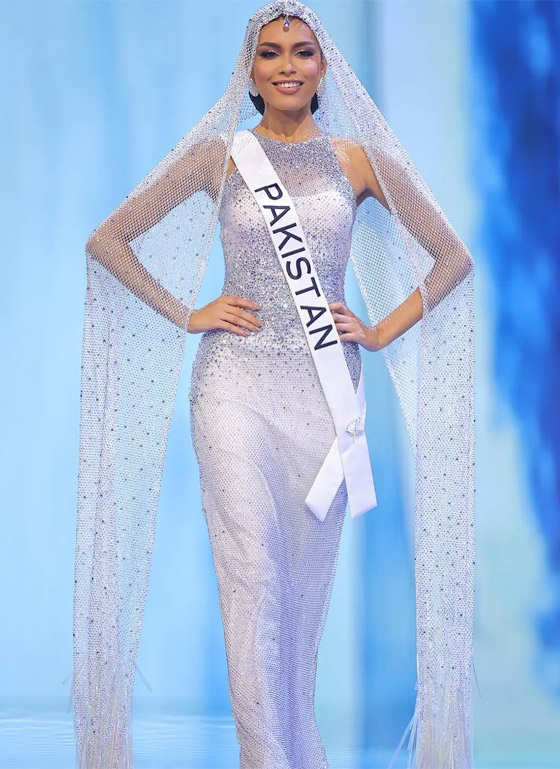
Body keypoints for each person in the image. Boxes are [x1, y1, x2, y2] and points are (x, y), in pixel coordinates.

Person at [71, 2, 476, 769]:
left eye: (302, 51)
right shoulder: (220, 157)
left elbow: (452, 257)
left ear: (324, 68)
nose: (287, 65)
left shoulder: (358, 162)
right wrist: (188, 312)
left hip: (324, 400)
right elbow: (109, 239)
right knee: (252, 575)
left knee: (297, 604)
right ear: (250, 71)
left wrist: (380, 330)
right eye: (271, 52)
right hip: (233, 388)